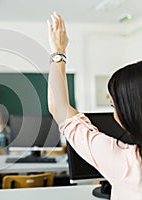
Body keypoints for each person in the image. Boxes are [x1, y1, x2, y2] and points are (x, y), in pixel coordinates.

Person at [47, 12, 142, 199]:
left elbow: (59, 107)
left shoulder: (125, 163)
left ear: (128, 114)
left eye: (114, 106)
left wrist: (58, 51)